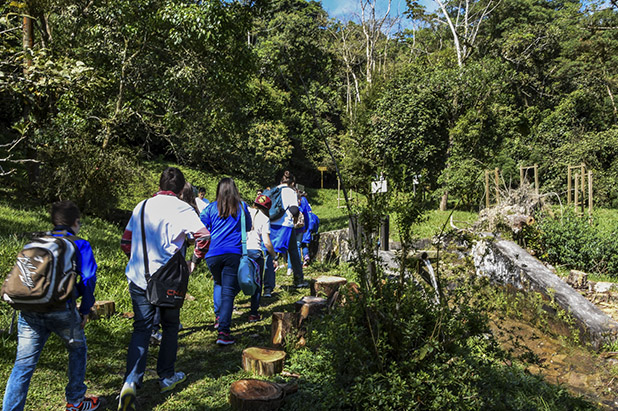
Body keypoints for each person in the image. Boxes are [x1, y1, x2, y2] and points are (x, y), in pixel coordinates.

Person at [117, 167, 210, 411]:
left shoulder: (142, 206)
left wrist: (138, 258)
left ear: (159, 185)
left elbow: (125, 241)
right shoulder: (182, 208)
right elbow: (203, 236)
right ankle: (166, 376)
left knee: (141, 328)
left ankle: (130, 382)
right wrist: (194, 261)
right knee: (169, 327)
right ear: (181, 190)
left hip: (138, 277)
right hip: (168, 279)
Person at [2, 201, 100, 411]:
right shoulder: (79, 243)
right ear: (76, 222)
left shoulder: (37, 241)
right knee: (77, 348)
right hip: (61, 309)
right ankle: (75, 401)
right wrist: (85, 310)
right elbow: (88, 278)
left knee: (23, 365)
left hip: (30, 309)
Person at [198, 177, 251, 345]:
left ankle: (218, 317)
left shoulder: (211, 208)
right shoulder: (242, 207)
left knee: (219, 283)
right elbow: (248, 227)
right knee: (228, 291)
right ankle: (223, 332)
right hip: (233, 253)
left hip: (212, 254)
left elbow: (202, 228)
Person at [264, 171, 307, 295]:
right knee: (294, 252)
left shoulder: (273, 190)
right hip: (285, 226)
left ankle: (267, 288)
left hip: (271, 225)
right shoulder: (290, 191)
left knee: (269, 254)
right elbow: (294, 209)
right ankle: (299, 280)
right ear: (292, 182)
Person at [246, 194, 277, 322]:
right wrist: (274, 256)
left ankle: (225, 312)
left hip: (240, 250)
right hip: (255, 252)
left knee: (234, 282)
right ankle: (253, 313)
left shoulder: (245, 211)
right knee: (257, 283)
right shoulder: (264, 218)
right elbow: (267, 242)